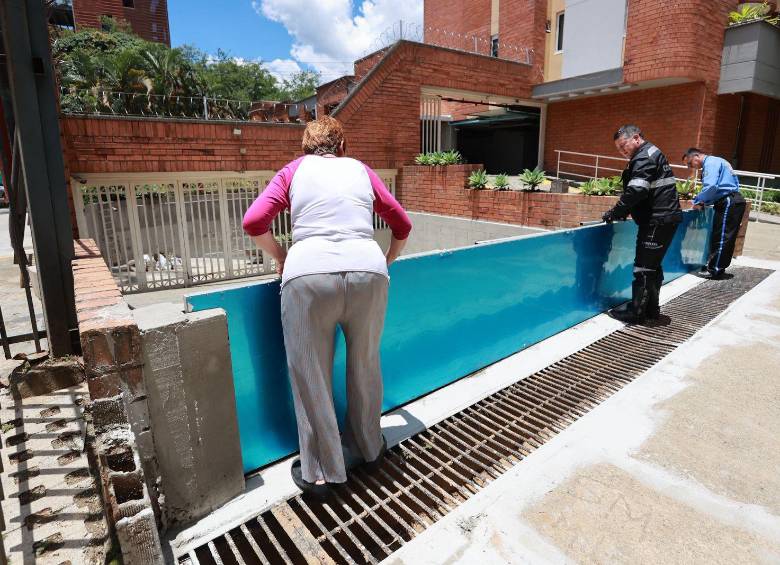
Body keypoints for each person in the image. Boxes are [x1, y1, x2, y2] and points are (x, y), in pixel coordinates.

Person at [242, 116, 412, 497]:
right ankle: (369, 448)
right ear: (343, 147)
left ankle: (321, 472)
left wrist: (281, 255)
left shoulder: (293, 171)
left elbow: (253, 221)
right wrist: (386, 260)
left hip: (309, 276)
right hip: (368, 272)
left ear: (306, 149)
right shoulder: (361, 171)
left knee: (311, 373)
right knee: (365, 364)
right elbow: (402, 224)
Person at [602, 125, 682, 324]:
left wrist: (616, 212)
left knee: (643, 268)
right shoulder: (651, 153)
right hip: (663, 219)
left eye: (623, 145)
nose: (622, 151)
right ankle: (651, 310)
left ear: (636, 138)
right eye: (619, 149)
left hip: (657, 220)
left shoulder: (644, 157)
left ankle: (637, 313)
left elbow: (636, 191)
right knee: (652, 267)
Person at [682, 148, 745, 279]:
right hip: (732, 200)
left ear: (696, 156)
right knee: (725, 236)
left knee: (722, 236)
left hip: (728, 201)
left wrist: (698, 201)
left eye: (690, 163)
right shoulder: (717, 161)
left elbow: (711, 186)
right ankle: (718, 267)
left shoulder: (710, 163)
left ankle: (715, 269)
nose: (691, 167)